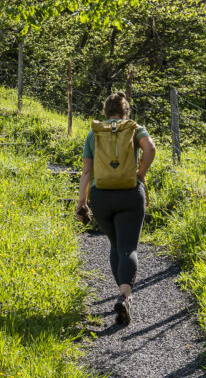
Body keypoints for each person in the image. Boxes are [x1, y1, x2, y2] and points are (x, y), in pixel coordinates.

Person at [75, 91, 156, 325]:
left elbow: (87, 172)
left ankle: (122, 293)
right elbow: (149, 148)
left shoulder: (95, 132)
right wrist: (140, 174)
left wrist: (82, 202)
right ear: (125, 111)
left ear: (106, 111)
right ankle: (124, 295)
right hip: (130, 193)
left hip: (102, 197)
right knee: (128, 248)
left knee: (115, 244)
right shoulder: (134, 127)